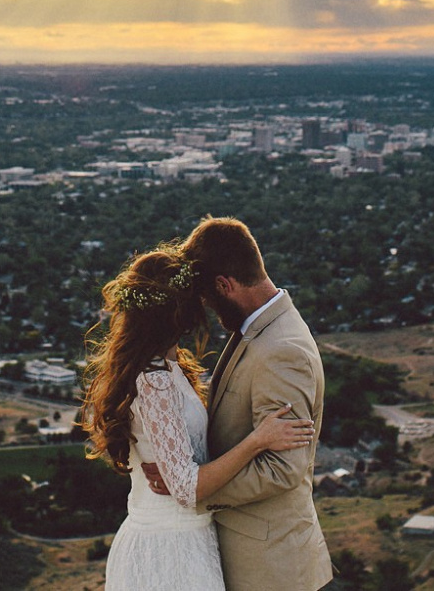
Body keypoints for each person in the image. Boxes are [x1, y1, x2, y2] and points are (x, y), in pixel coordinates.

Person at [82, 245, 316, 591]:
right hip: (170, 551)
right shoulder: (156, 382)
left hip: (183, 540)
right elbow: (187, 488)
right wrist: (258, 440)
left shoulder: (166, 370)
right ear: (179, 312)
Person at [144, 218, 332, 591]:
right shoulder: (259, 329)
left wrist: (194, 488)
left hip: (270, 568)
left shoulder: (281, 351)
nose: (210, 310)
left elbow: (282, 469)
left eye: (208, 298)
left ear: (224, 285)